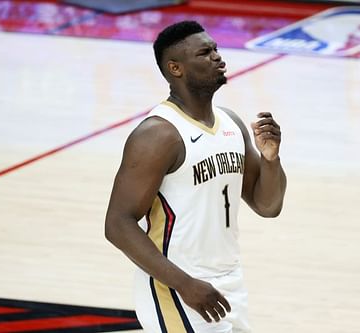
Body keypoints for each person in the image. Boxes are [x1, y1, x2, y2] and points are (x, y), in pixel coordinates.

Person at [105, 20, 287, 333]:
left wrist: (271, 159)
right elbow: (117, 224)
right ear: (176, 68)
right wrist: (185, 285)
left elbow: (267, 205)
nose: (217, 57)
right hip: (177, 287)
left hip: (229, 280)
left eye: (215, 49)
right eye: (205, 53)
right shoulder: (159, 135)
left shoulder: (231, 123)